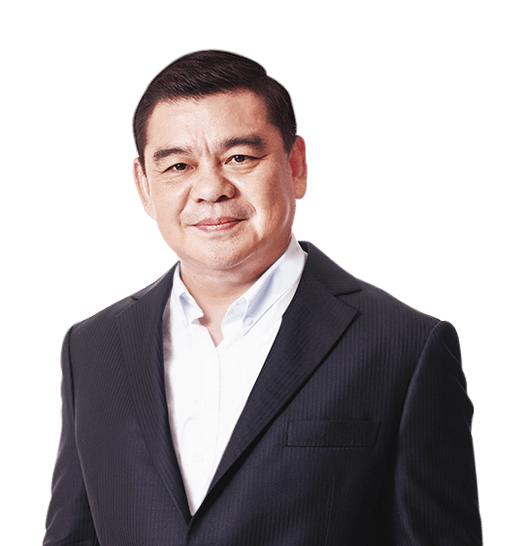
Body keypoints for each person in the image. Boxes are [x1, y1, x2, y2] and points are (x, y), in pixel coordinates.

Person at [43, 49, 483, 545]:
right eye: (178, 165)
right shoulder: (92, 345)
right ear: (143, 185)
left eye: (239, 158)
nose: (210, 189)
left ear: (296, 166)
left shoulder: (406, 346)